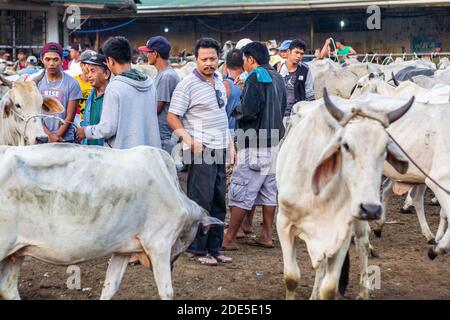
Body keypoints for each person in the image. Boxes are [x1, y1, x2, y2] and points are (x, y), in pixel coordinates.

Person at [167, 38, 235, 266]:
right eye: (204, 59)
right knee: (200, 200)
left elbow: (222, 116)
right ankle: (197, 249)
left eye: (212, 58)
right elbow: (172, 116)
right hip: (201, 149)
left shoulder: (219, 80)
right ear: (195, 59)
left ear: (219, 59)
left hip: (220, 147)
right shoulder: (187, 84)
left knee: (218, 199)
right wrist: (190, 140)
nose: (208, 63)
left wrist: (231, 144)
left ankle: (215, 247)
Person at [222, 41, 286, 251]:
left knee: (241, 189)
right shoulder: (277, 76)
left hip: (255, 142)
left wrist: (235, 109)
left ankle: (229, 238)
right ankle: (266, 235)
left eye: (245, 60)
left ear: (250, 59)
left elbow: (248, 110)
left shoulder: (255, 77)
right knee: (269, 190)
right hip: (275, 142)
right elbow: (283, 106)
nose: (244, 65)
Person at [76, 36, 161, 150]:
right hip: (151, 153)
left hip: (126, 157)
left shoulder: (114, 87)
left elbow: (108, 128)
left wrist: (85, 131)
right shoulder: (149, 83)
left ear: (110, 61)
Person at [139, 36, 180, 155]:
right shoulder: (162, 74)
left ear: (155, 54)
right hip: (162, 134)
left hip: (165, 136)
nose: (147, 56)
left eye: (148, 52)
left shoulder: (166, 76)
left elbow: (157, 107)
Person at [35, 42, 82, 143]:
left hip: (65, 139)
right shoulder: (36, 83)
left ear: (62, 60)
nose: (51, 63)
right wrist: (49, 135)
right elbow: (35, 113)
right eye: (48, 59)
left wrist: (57, 135)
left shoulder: (72, 83)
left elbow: (70, 115)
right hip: (42, 137)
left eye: (55, 59)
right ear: (42, 60)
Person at [279, 39, 315, 123]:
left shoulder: (305, 70)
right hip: (279, 114)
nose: (299, 56)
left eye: (301, 54)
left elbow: (310, 94)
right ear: (288, 52)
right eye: (296, 52)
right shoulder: (277, 68)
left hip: (297, 115)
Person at [80, 54, 110, 146]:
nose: (88, 75)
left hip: (106, 151)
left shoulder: (111, 95)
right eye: (88, 71)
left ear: (106, 74)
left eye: (93, 71)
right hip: (89, 150)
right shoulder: (91, 94)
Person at [74, 50, 95, 123]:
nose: (93, 67)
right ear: (81, 65)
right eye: (89, 64)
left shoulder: (98, 83)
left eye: (95, 64)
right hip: (76, 123)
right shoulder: (73, 82)